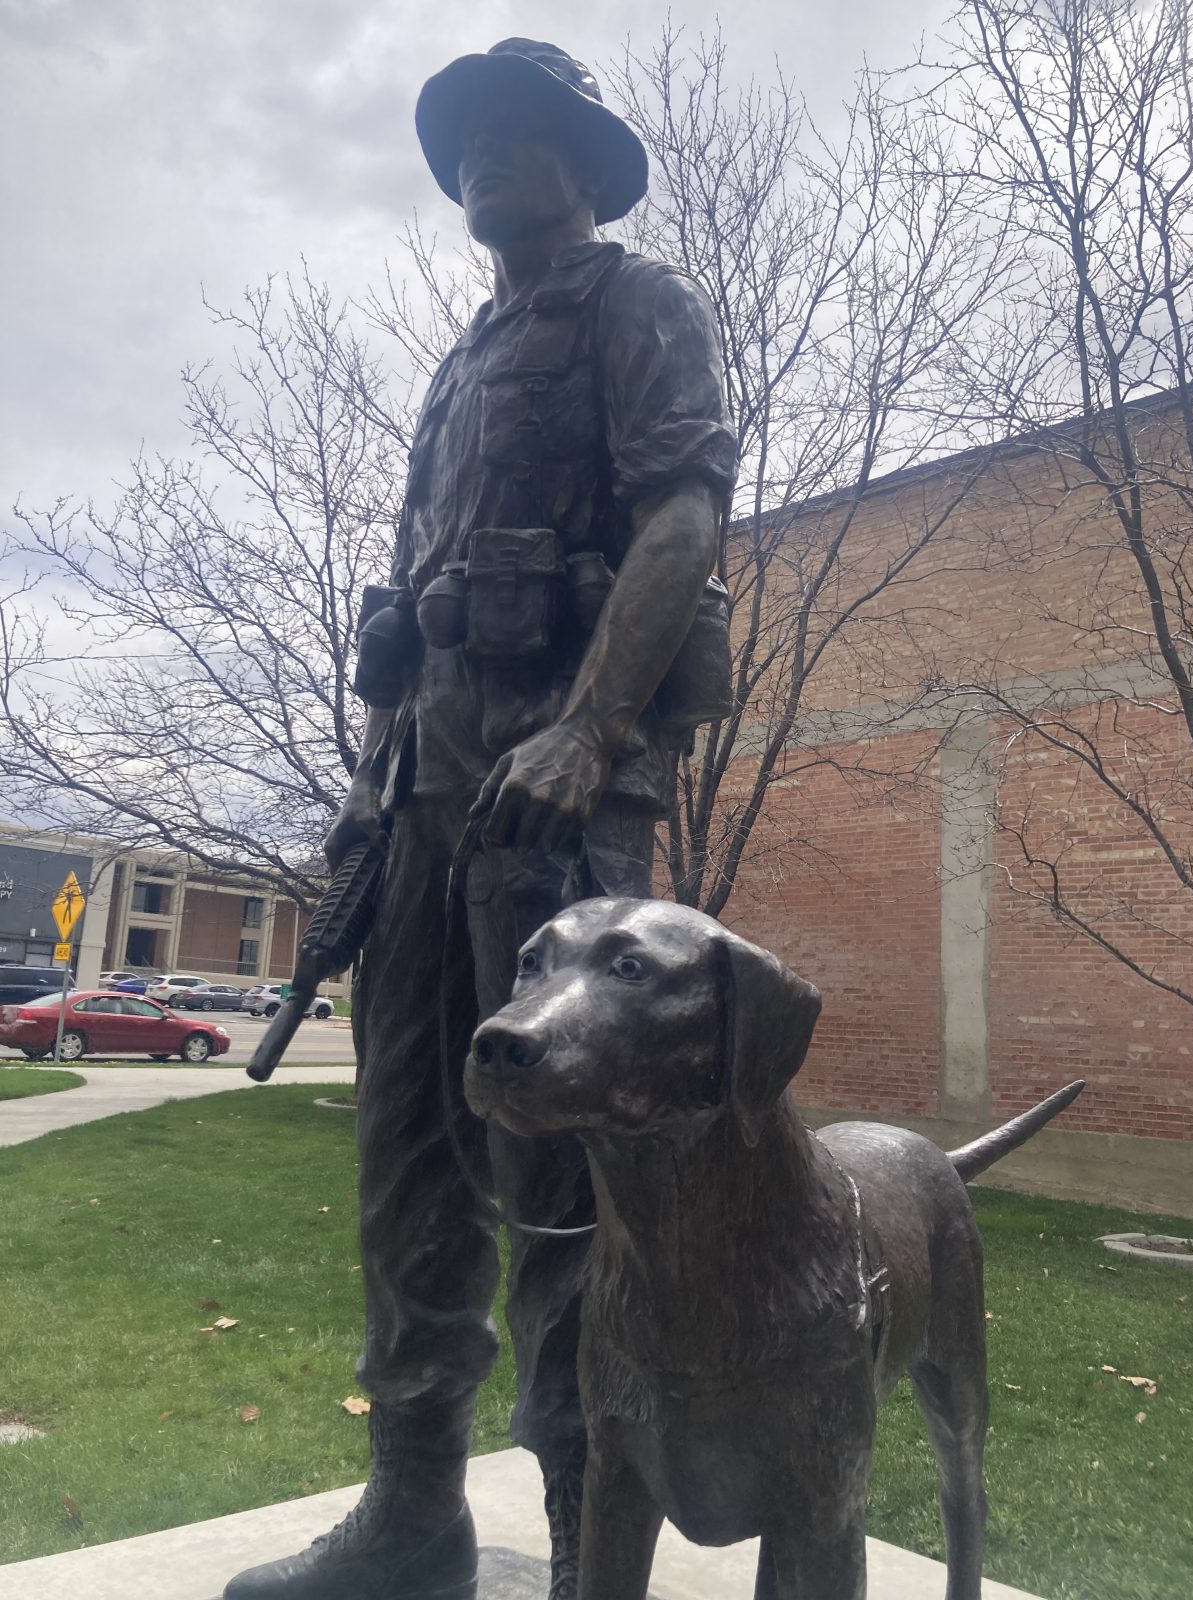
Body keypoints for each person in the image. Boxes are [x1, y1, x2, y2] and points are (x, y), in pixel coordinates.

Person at [224, 38, 736, 1600]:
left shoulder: (638, 308)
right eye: (471, 142)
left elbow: (683, 514)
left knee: (565, 1180)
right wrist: (379, 746)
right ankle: (413, 1514)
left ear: (584, 166)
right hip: (430, 789)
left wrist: (590, 724)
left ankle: (591, 1529)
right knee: (406, 1159)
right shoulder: (461, 360)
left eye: (524, 135)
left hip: (550, 803)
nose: (490, 161)